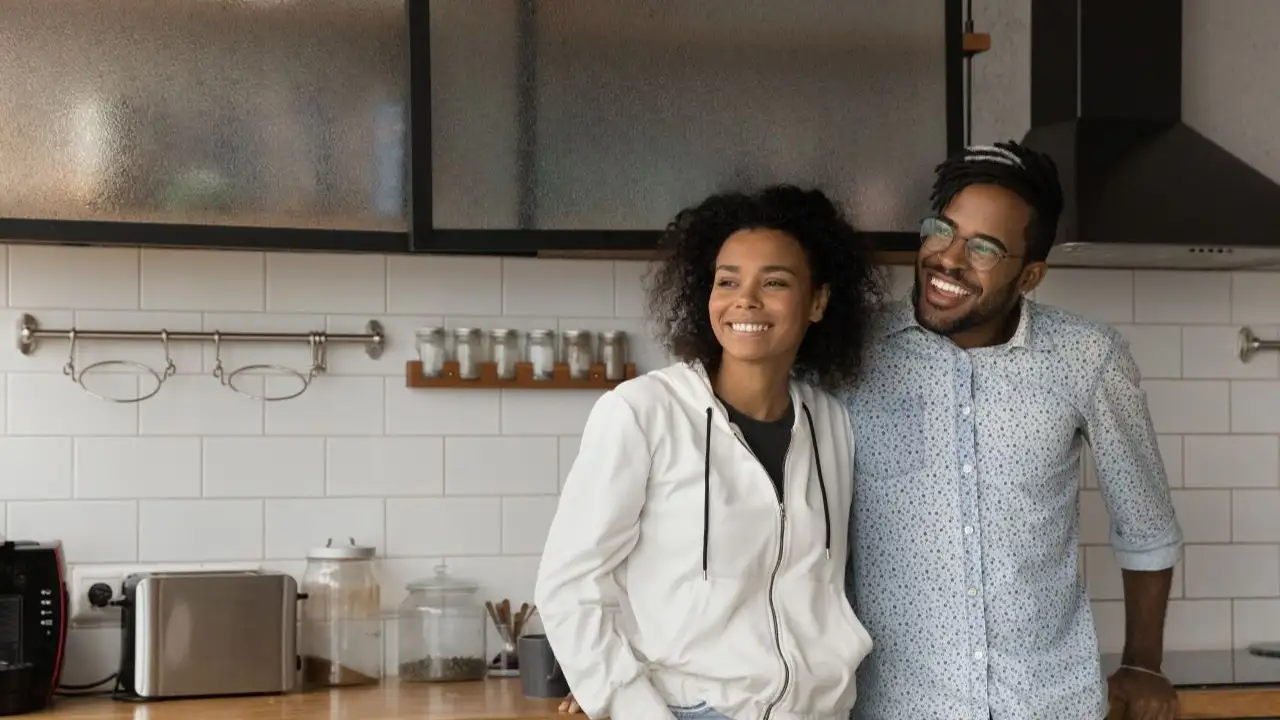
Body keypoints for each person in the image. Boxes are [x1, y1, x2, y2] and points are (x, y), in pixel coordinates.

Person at [845, 141, 1183, 719]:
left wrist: (1143, 664)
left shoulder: (1088, 357)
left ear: (1030, 275)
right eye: (941, 230)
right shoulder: (851, 353)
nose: (948, 259)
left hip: (1048, 705)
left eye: (984, 247)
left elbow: (1146, 524)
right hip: (893, 706)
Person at [534, 185, 885, 720]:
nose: (745, 299)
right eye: (728, 281)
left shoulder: (831, 423)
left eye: (775, 282)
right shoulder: (643, 412)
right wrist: (625, 701)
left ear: (817, 302)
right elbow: (568, 584)